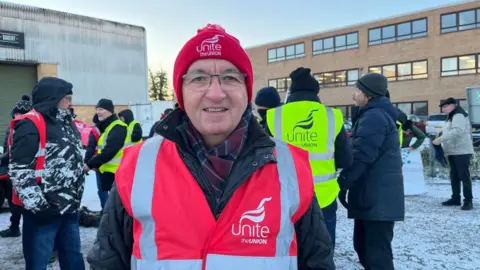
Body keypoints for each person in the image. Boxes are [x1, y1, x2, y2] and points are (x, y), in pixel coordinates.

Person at [87, 23, 335, 270]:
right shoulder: (138, 166)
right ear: (180, 93)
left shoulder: (289, 167)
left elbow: (317, 263)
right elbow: (107, 263)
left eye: (230, 77)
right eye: (199, 78)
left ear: (246, 91)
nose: (216, 93)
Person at [264, 67, 352, 249]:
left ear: (292, 91)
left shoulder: (274, 116)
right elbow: (345, 159)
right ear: (316, 91)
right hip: (324, 196)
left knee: (287, 250)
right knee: (322, 251)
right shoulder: (333, 116)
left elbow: (262, 157)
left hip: (285, 196)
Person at [9, 77, 85, 269]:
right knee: (38, 262)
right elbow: (19, 170)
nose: (70, 102)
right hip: (43, 212)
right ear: (53, 98)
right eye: (67, 98)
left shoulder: (67, 123)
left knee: (73, 259)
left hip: (69, 207)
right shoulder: (30, 124)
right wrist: (39, 207)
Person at [337, 73, 404, 270]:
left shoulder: (374, 117)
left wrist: (343, 182)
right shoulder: (374, 114)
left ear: (368, 94)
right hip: (373, 196)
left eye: (357, 90)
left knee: (375, 254)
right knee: (366, 248)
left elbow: (361, 155)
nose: (353, 94)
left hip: (376, 197)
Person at [433, 97, 474, 210]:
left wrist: (440, 139)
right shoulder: (452, 116)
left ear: (452, 105)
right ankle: (455, 198)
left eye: (444, 107)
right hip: (453, 151)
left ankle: (468, 201)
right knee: (454, 176)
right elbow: (451, 129)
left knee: (463, 176)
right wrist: (442, 131)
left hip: (461, 151)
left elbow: (457, 131)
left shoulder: (458, 115)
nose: (443, 109)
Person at [0, 95, 32, 238]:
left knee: (24, 204)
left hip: (24, 172)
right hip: (11, 171)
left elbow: (13, 153)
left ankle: (26, 232)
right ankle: (14, 227)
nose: (18, 116)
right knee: (14, 201)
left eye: (21, 113)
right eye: (16, 113)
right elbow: (8, 151)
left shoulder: (28, 129)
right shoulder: (11, 128)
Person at [84, 99, 127, 196]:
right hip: (108, 172)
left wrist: (90, 164)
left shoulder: (118, 126)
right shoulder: (106, 127)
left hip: (118, 173)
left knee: (117, 206)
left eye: (101, 109)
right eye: (97, 109)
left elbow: (110, 150)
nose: (98, 112)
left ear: (110, 111)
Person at [84, 114, 108, 210]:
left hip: (100, 165)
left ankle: (106, 211)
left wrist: (87, 163)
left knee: (102, 189)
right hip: (115, 164)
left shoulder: (95, 132)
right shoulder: (114, 129)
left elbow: (90, 148)